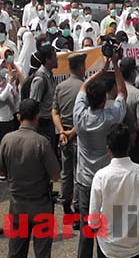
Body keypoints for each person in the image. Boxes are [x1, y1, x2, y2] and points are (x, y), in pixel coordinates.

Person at [74, 52, 127, 258]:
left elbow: (82, 88)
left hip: (86, 181)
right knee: (108, 227)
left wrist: (101, 72)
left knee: (87, 229)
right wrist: (114, 65)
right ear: (105, 99)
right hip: (106, 180)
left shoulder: (79, 117)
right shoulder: (111, 117)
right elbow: (122, 92)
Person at [0, 98, 61, 258]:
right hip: (40, 204)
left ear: (19, 117)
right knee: (42, 253)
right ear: (37, 117)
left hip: (17, 205)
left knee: (16, 251)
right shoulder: (42, 143)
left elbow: (2, 171)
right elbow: (56, 175)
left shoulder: (6, 140)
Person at [89, 124, 139, 258]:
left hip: (107, 248)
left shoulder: (100, 177)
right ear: (130, 145)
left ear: (108, 149)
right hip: (134, 248)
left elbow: (93, 221)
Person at [52, 52, 86, 217]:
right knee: (79, 172)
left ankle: (66, 204)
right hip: (78, 135)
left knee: (66, 172)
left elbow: (54, 112)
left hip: (64, 135)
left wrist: (62, 132)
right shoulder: (84, 87)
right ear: (81, 67)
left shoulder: (60, 87)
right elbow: (86, 115)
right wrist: (72, 132)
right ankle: (77, 206)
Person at [119, 57, 139, 169]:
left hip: (117, 141)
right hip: (135, 143)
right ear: (132, 72)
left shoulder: (114, 90)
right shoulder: (137, 94)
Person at [30, 45, 58, 151]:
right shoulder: (40, 79)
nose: (57, 59)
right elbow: (33, 104)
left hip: (49, 123)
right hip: (42, 125)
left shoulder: (49, 75)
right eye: (54, 56)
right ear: (47, 59)